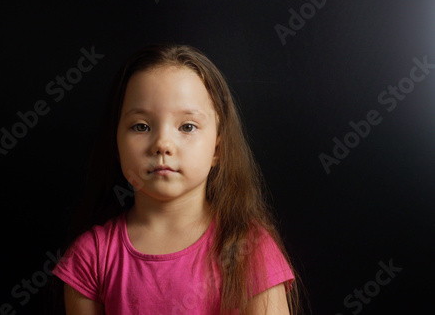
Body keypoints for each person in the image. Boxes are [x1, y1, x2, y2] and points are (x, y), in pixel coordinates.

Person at [51, 43, 301, 314]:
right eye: (141, 126)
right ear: (117, 142)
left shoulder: (250, 249)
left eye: (187, 126)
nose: (162, 144)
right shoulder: (91, 257)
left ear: (217, 148)